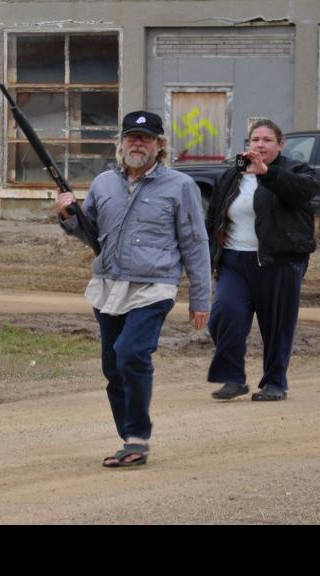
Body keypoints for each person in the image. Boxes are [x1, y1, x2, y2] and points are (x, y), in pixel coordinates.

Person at [56, 111, 211, 468]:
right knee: (113, 367)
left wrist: (201, 299)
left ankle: (139, 435)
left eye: (145, 138)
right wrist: (67, 216)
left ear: (160, 146)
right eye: (131, 137)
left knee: (130, 352)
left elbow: (195, 243)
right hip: (109, 284)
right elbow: (89, 234)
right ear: (121, 143)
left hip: (154, 286)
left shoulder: (180, 186)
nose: (137, 143)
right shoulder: (103, 184)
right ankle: (129, 438)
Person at [205, 119, 319, 402]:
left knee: (277, 325)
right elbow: (214, 217)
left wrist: (267, 173)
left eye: (267, 140)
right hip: (234, 260)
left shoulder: (296, 170)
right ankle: (233, 378)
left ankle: (274, 382)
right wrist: (209, 256)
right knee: (223, 316)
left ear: (281, 145)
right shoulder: (232, 176)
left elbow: (300, 193)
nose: (259, 144)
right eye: (255, 139)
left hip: (279, 261)